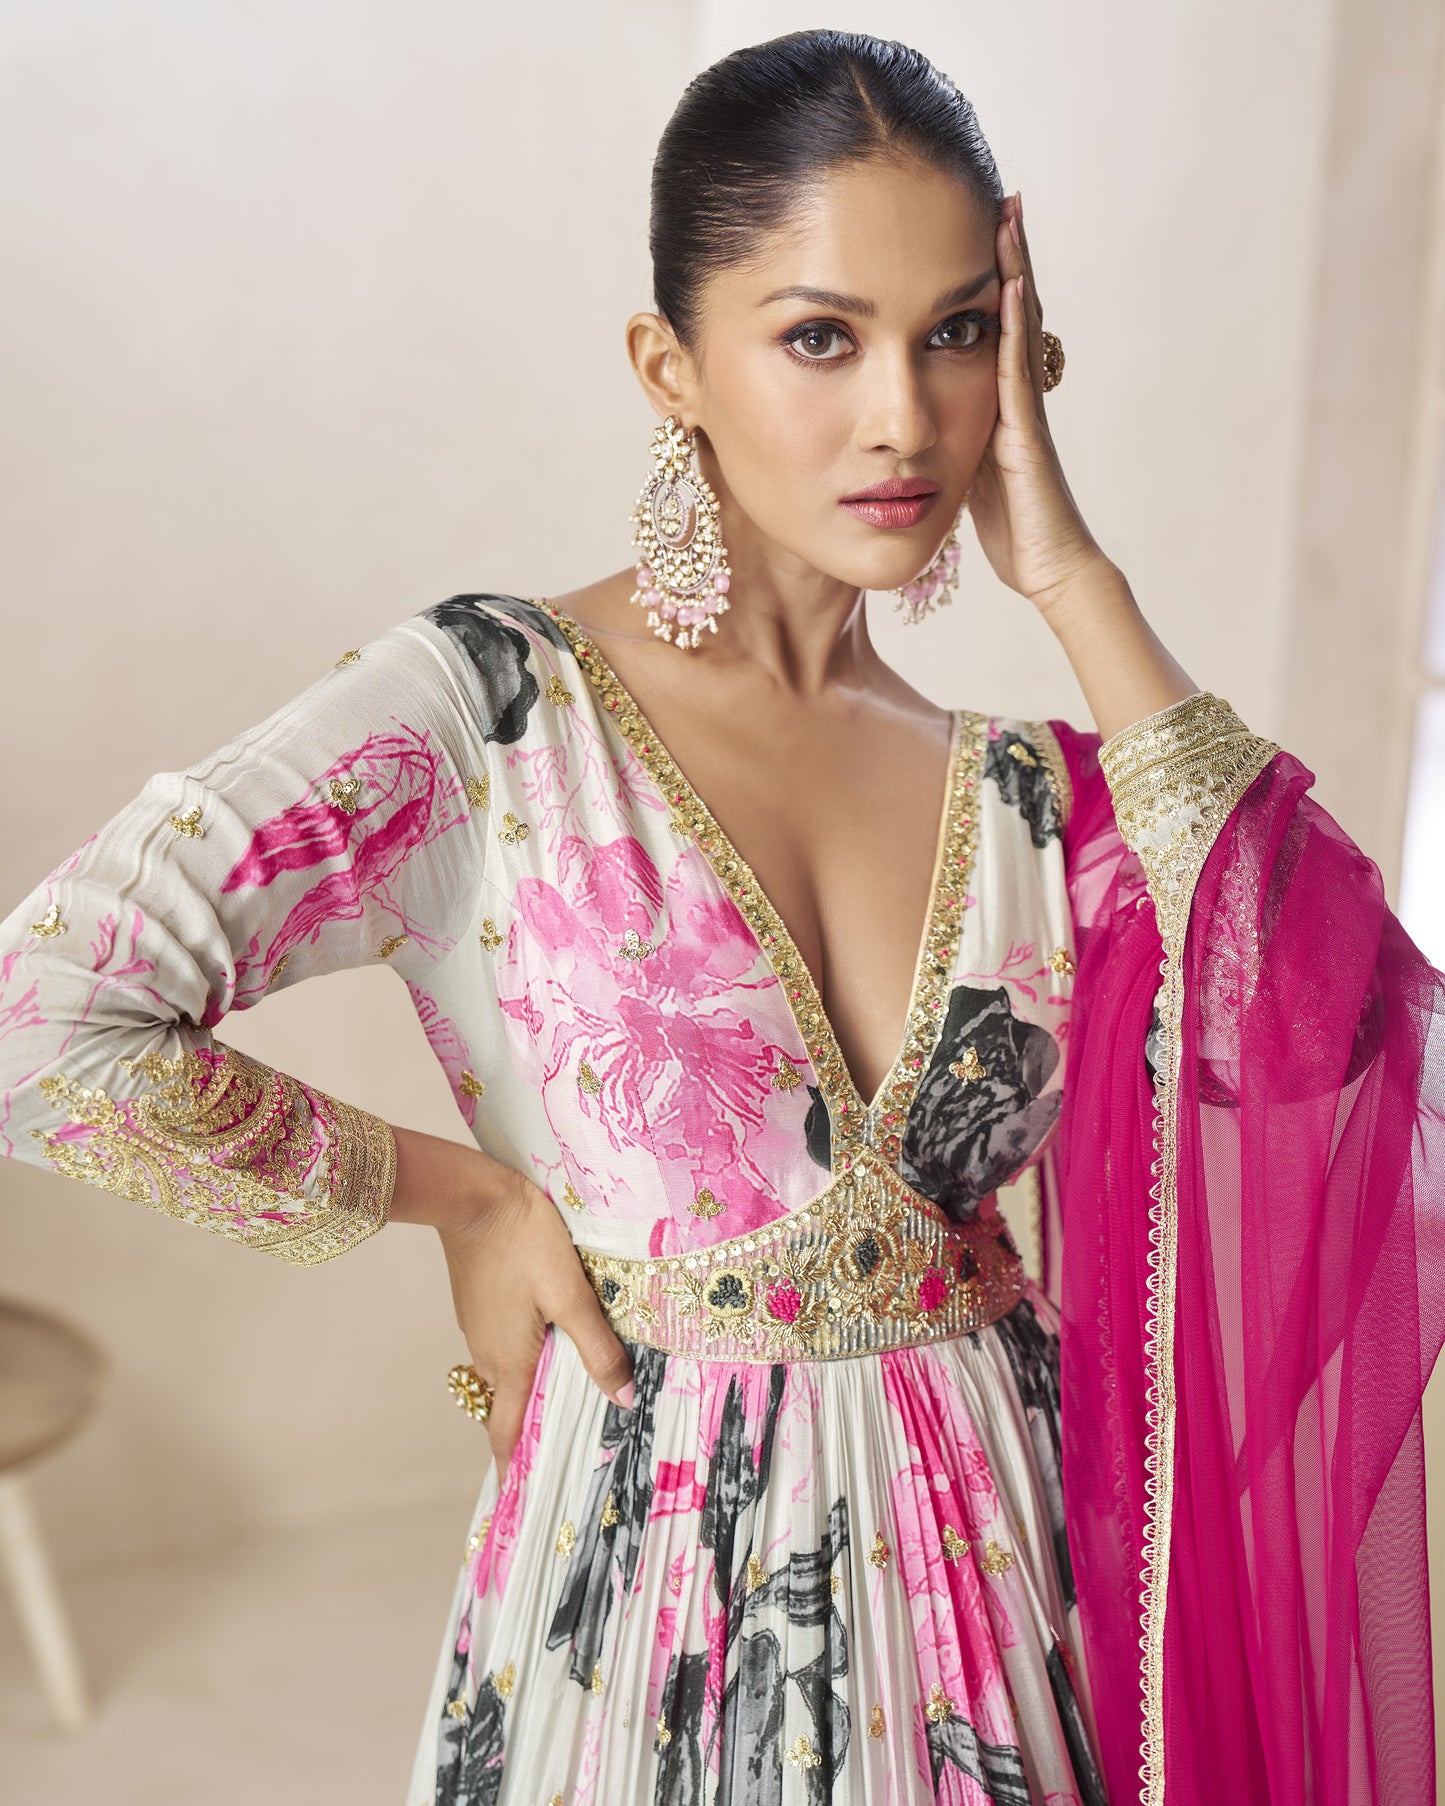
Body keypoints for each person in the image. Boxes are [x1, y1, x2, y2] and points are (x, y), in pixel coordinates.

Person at [1, 27, 1441, 1806]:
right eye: (819, 337)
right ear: (669, 366)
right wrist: (457, 1197)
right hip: (650, 1609)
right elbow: (44, 1015)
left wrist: (1072, 579)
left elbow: (1326, 1028)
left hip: (1012, 1598)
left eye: (956, 334)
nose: (903, 417)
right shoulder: (485, 712)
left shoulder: (1035, 791)